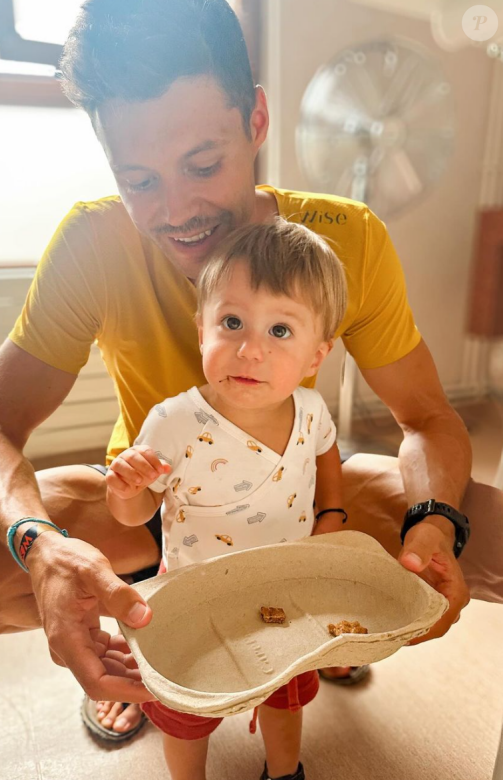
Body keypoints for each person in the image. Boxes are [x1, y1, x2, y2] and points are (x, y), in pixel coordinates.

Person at [0, 0, 500, 749]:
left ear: (256, 121)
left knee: (491, 534)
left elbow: (428, 417)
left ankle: (306, 621)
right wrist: (42, 548)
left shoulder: (345, 240)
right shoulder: (93, 242)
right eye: (140, 180)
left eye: (203, 165)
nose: (178, 212)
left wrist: (435, 524)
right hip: (156, 502)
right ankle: (144, 636)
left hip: (296, 496)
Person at [102, 218, 348, 780]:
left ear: (317, 354)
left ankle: (285, 772)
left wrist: (332, 514)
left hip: (283, 588)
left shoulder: (312, 410)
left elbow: (327, 452)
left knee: (285, 695)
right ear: (201, 330)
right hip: (193, 592)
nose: (250, 350)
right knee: (186, 710)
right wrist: (126, 490)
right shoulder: (175, 421)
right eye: (231, 322)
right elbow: (136, 516)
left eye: (280, 331)